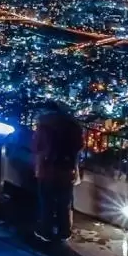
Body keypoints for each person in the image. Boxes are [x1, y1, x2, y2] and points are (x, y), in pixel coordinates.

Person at [33, 101, 84, 243]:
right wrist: (76, 171)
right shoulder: (73, 126)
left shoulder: (43, 126)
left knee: (46, 201)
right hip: (67, 169)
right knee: (65, 202)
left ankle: (46, 231)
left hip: (47, 169)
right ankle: (64, 231)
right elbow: (77, 150)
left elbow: (38, 149)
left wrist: (38, 168)